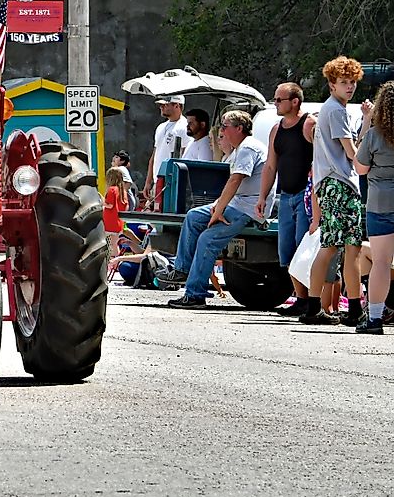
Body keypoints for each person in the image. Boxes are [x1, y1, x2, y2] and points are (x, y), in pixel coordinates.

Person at [159, 110, 271, 308]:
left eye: (225, 127)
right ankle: (182, 269)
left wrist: (219, 210)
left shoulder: (248, 148)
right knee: (193, 216)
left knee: (207, 240)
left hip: (248, 208)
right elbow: (232, 183)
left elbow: (237, 179)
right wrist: (218, 205)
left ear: (239, 129)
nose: (222, 131)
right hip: (237, 203)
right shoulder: (238, 150)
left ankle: (195, 295)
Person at [301, 56, 371, 326]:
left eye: (352, 82)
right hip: (340, 183)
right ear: (331, 84)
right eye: (343, 82)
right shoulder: (336, 111)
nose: (349, 87)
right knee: (345, 248)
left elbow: (351, 146)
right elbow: (354, 154)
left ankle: (317, 306)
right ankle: (349, 308)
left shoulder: (332, 109)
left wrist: (365, 122)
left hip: (330, 183)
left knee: (334, 247)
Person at [256, 82, 317, 316]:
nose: (275, 104)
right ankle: (300, 297)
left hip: (305, 196)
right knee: (286, 251)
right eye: (275, 99)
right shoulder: (276, 129)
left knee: (305, 249)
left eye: (279, 100)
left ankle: (309, 300)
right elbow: (271, 165)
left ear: (295, 102)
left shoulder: (309, 124)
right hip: (285, 196)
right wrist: (263, 196)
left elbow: (321, 159)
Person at [353, 80, 394, 333]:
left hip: (380, 203)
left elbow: (360, 168)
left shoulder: (374, 135)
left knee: (380, 262)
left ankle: (375, 319)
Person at [143, 95, 190, 209]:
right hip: (157, 180)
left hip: (170, 181)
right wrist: (148, 181)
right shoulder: (160, 127)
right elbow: (154, 154)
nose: (161, 107)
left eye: (165, 105)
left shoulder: (184, 126)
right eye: (161, 105)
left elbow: (185, 155)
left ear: (177, 105)